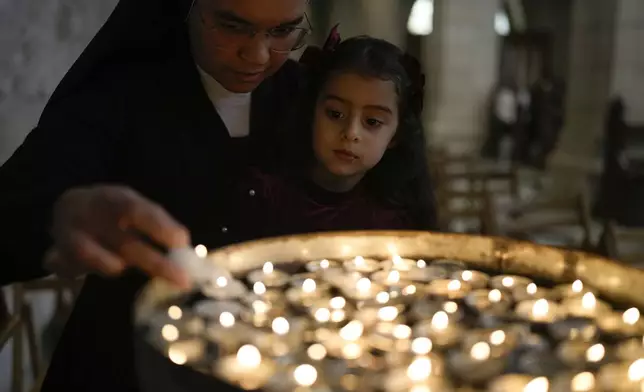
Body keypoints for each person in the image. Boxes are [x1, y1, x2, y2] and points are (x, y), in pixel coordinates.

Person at [0, 0, 312, 390]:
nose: (258, 55)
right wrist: (55, 213)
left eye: (282, 31)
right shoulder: (118, 94)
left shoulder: (312, 99)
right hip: (123, 366)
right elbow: (9, 214)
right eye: (232, 26)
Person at [234, 35, 436, 238]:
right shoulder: (261, 196)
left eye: (372, 121)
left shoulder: (398, 220)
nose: (350, 133)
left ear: (396, 135)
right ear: (312, 112)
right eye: (335, 114)